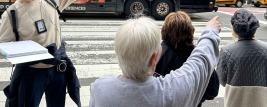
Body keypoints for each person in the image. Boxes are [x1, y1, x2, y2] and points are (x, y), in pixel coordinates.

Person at [0, 0, 119, 107]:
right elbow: (1, 48)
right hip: (32, 73)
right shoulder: (11, 14)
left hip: (58, 69)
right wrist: (21, 51)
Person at [89, 15, 221, 107]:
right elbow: (201, 60)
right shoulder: (171, 93)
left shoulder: (99, 89)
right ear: (153, 59)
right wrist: (211, 30)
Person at [216, 9, 267, 107]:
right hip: (265, 101)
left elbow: (222, 80)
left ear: (234, 29)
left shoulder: (226, 51)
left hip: (236, 101)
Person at [155, 11, 219, 107]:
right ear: (190, 31)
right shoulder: (198, 56)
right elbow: (212, 90)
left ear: (164, 30)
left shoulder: (156, 55)